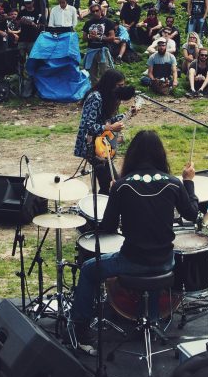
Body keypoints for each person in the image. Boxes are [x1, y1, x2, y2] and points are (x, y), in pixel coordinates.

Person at [71, 130, 197, 351]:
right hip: (166, 263)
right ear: (160, 154)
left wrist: (113, 195)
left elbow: (108, 228)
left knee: (90, 269)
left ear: (132, 155)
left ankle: (80, 329)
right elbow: (192, 214)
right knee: (155, 260)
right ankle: (151, 319)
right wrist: (189, 182)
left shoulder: (122, 186)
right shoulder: (174, 183)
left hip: (133, 261)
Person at [74, 69, 134, 195]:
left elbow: (107, 120)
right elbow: (88, 126)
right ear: (110, 84)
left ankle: (105, 209)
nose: (121, 89)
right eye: (119, 86)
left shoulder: (109, 97)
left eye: (123, 86)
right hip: (92, 146)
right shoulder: (95, 97)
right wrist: (111, 128)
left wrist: (128, 114)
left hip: (103, 144)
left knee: (109, 184)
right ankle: (104, 211)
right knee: (111, 184)